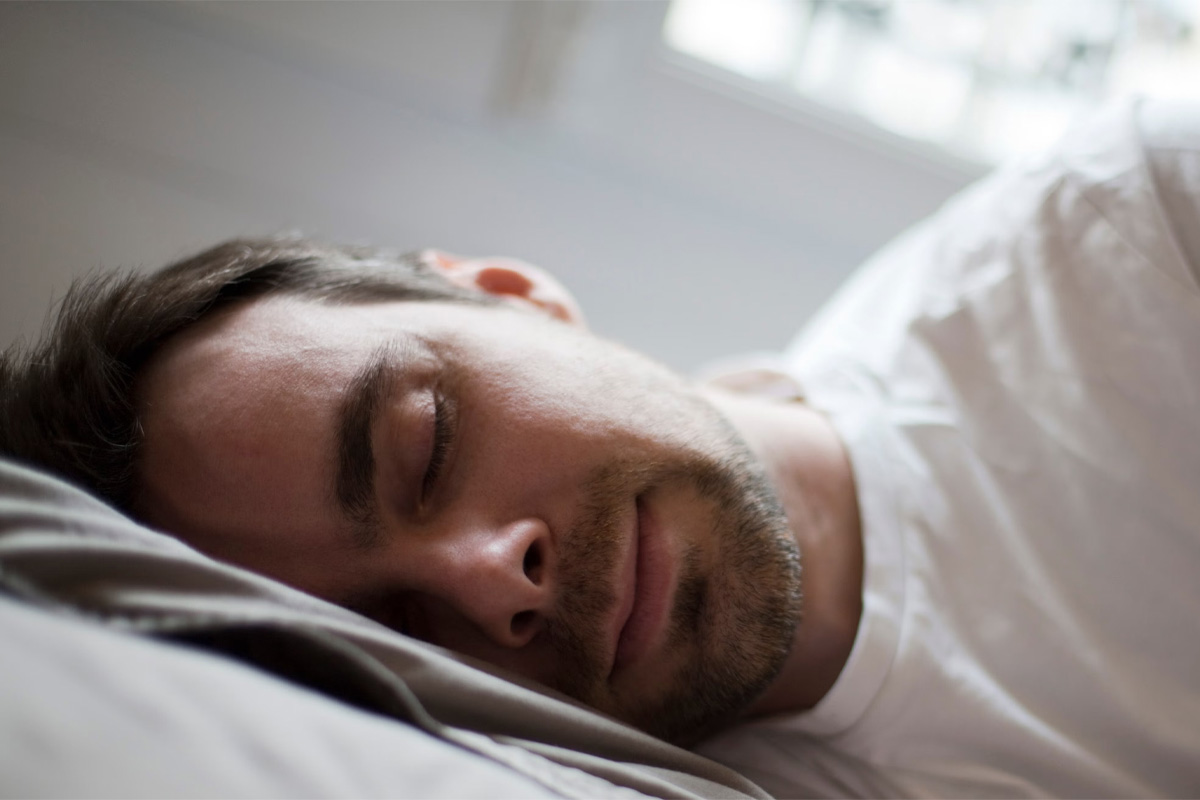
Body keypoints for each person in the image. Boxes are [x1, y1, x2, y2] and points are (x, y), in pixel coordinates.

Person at [1, 98, 1197, 796]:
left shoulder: (1143, 246)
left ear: (515, 293)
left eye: (426, 444)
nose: (488, 581)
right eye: (395, 628)